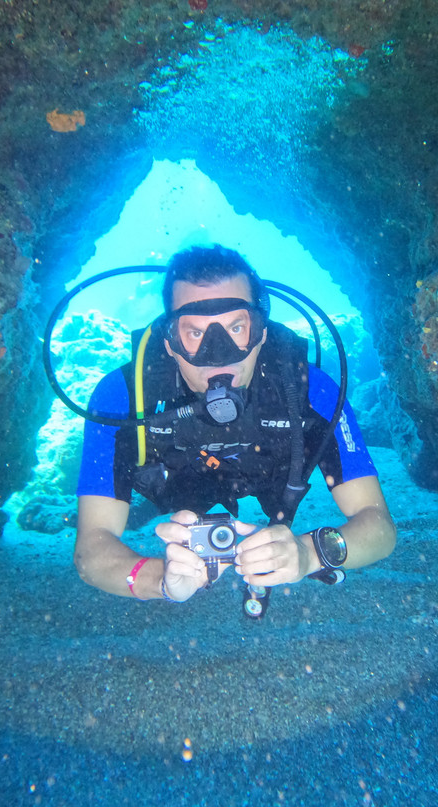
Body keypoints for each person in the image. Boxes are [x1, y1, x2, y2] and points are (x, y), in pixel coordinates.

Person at [73, 244, 395, 606]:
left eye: (236, 327)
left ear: (262, 332)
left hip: (269, 477)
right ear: (169, 341)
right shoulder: (121, 397)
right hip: (178, 481)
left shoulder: (312, 391)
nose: (218, 354)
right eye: (195, 333)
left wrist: (307, 554)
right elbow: (91, 548)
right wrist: (160, 579)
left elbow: (379, 527)